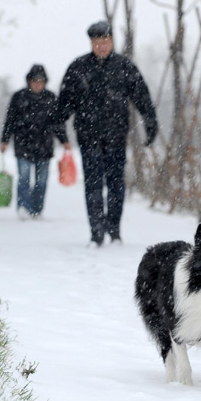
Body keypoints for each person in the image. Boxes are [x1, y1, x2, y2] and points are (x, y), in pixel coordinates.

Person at [58, 21, 158, 246]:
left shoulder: (124, 67)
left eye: (104, 41)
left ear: (112, 41)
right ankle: (96, 233)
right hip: (88, 136)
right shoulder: (78, 68)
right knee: (93, 184)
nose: (100, 46)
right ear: (91, 43)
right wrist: (59, 128)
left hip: (116, 136)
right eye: (96, 42)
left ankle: (114, 231)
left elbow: (142, 97)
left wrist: (150, 123)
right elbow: (64, 103)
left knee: (115, 184)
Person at [1, 64, 71, 219]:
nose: (38, 84)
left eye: (41, 81)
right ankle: (23, 208)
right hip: (23, 144)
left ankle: (37, 210)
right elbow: (10, 120)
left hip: (44, 146)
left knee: (41, 182)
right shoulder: (19, 97)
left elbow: (57, 122)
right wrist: (5, 140)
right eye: (35, 81)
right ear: (29, 81)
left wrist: (64, 140)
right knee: (24, 179)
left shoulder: (51, 98)